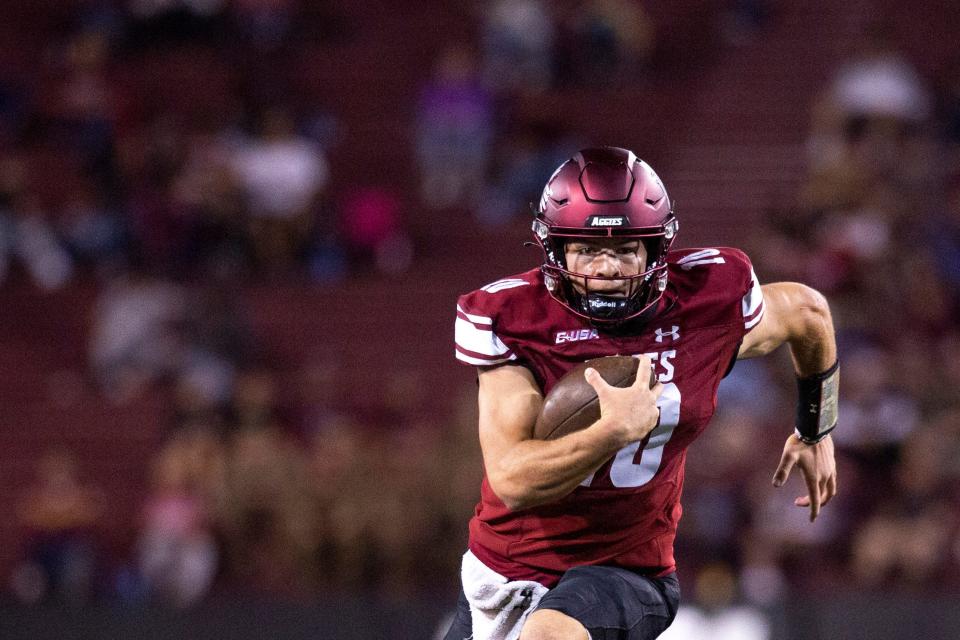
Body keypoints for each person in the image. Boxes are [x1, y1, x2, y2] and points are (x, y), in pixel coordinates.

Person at [445, 147, 839, 640]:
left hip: (628, 568)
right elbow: (512, 480)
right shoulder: (515, 317)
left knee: (550, 635)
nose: (607, 268)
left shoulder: (706, 299)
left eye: (626, 248)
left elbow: (808, 312)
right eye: (587, 249)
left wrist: (816, 428)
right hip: (503, 566)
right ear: (555, 249)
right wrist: (613, 431)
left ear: (656, 250)